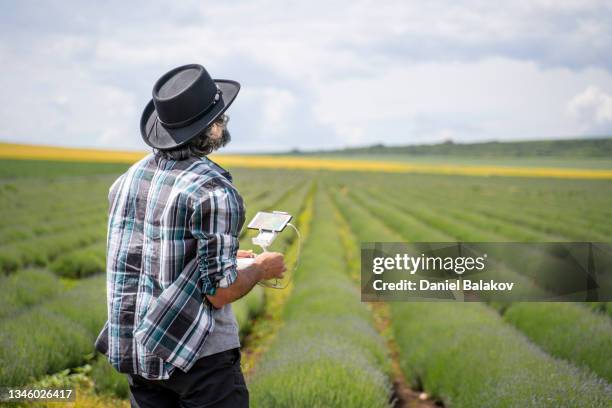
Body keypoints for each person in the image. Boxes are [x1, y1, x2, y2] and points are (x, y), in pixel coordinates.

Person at [94, 63, 285, 407]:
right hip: (198, 359)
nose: (224, 121)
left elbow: (157, 252)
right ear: (209, 128)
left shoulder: (128, 179)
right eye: (221, 116)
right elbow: (220, 292)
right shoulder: (213, 190)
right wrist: (261, 269)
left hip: (140, 355)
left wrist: (231, 259)